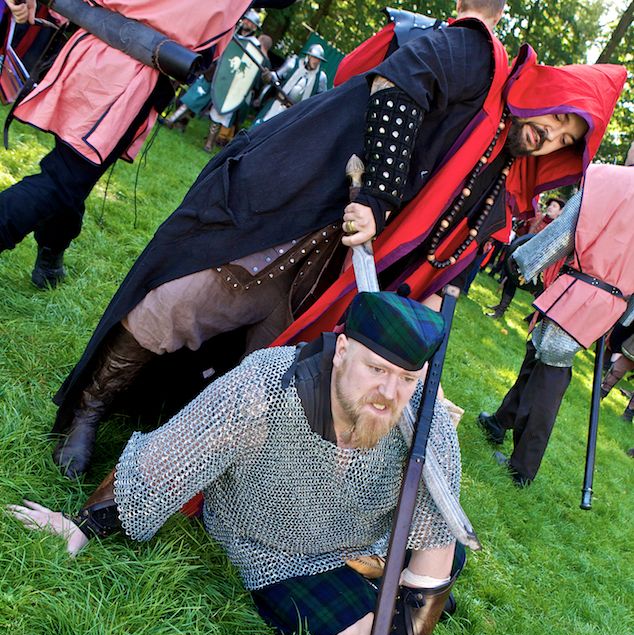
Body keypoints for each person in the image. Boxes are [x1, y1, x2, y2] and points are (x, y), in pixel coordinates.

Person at [51, 3, 626, 479]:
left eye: (567, 140)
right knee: (185, 300)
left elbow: (455, 260)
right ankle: (88, 410)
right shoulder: (479, 56)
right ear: (548, 90)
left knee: (267, 368)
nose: (552, 135)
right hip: (295, 208)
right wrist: (377, 195)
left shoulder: (501, 174)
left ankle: (193, 455)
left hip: (332, 272)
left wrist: (423, 331)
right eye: (560, 117)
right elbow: (399, 85)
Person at [9, 291, 464, 635]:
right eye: (377, 369)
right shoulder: (268, 387)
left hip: (368, 534)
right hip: (270, 540)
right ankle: (381, 583)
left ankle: (380, 577)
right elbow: (174, 456)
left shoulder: (428, 424)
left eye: (407, 378)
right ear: (342, 350)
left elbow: (436, 544)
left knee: (443, 559)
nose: (389, 392)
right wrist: (84, 524)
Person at [0, 1, 294, 288]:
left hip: (94, 53)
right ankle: (48, 253)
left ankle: (51, 256)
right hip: (128, 73)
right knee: (65, 178)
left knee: (71, 174)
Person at [478, 163, 634, 485]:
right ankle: (501, 421)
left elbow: (565, 232)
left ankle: (522, 467)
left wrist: (525, 260)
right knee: (538, 349)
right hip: (608, 300)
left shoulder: (607, 178)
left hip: (584, 289)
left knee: (551, 368)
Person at [202, 10, 263, 153]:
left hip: (237, 81)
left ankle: (211, 142)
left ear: (255, 27)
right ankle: (209, 140)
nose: (247, 23)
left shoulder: (254, 45)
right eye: (246, 20)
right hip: (222, 76)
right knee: (215, 105)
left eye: (250, 22)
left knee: (224, 109)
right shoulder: (232, 34)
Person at [254, 42, 328, 125]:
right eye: (314, 57)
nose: (316, 61)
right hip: (278, 105)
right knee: (262, 126)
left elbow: (321, 100)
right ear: (309, 56)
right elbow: (277, 76)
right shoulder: (293, 64)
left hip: (295, 115)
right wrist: (269, 76)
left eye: (318, 59)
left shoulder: (321, 78)